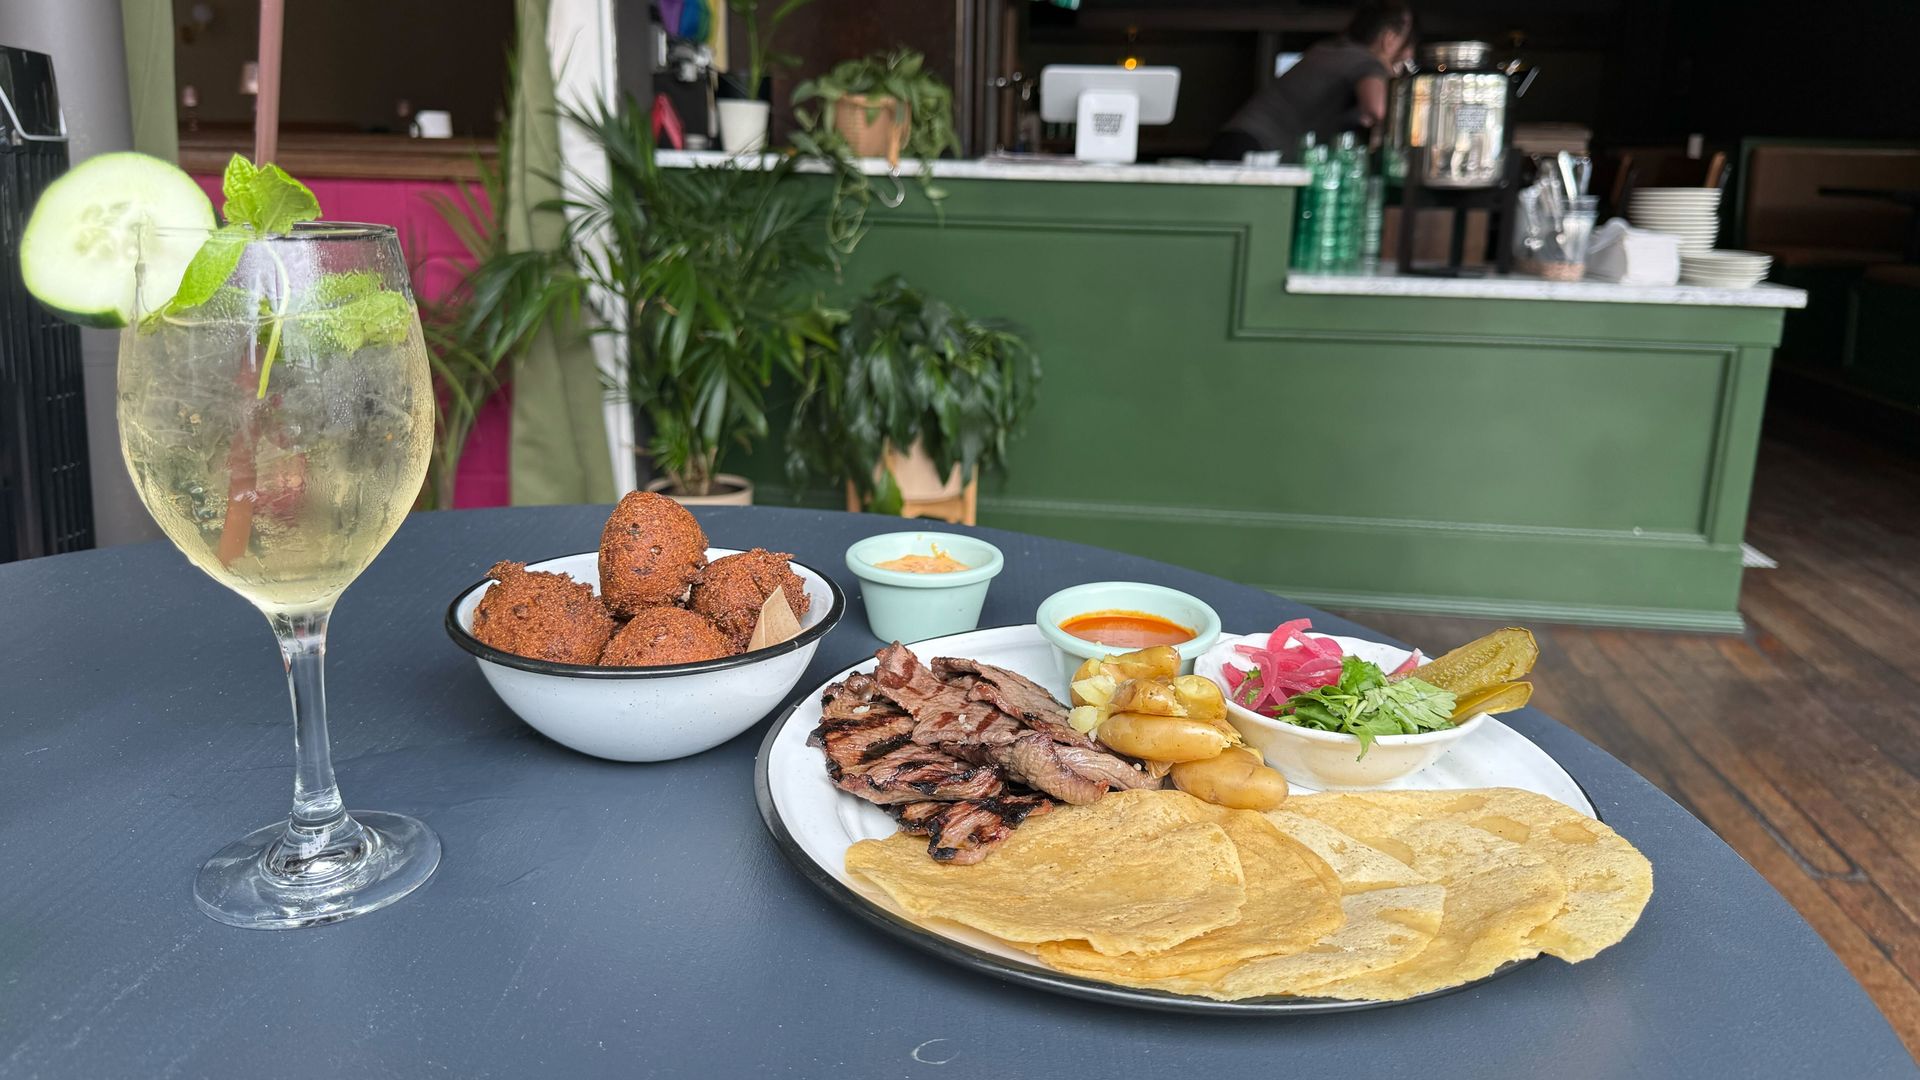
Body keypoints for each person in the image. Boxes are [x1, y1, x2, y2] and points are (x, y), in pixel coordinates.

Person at [1209, 2, 1414, 161]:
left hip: (1235, 140)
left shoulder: (1328, 50)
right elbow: (1378, 110)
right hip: (1256, 151)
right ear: (1389, 38)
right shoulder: (1365, 61)